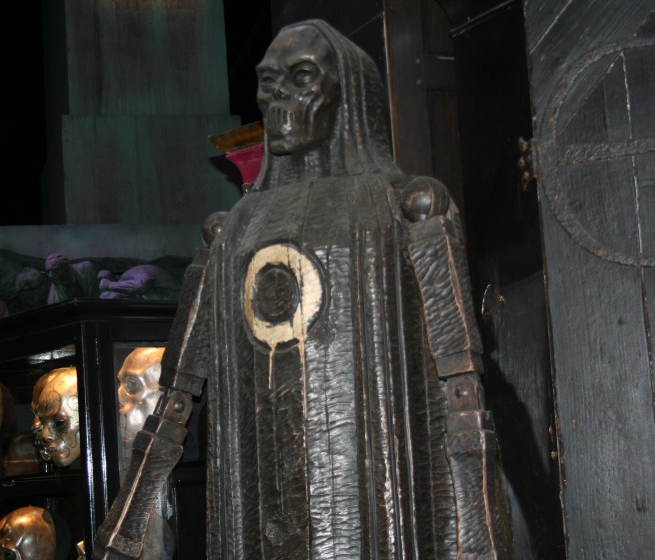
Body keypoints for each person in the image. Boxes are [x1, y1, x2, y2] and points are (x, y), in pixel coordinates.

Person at [95, 19, 510, 559]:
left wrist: (478, 539)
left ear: (347, 93)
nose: (279, 98)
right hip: (250, 507)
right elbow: (175, 394)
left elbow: (461, 384)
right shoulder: (232, 230)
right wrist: (126, 527)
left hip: (377, 506)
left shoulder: (407, 206)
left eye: (302, 77)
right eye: (269, 83)